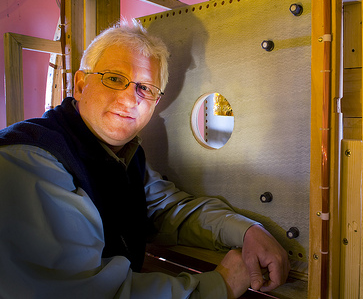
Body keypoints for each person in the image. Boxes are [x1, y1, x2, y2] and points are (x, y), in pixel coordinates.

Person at [0, 21, 290, 298]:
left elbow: (167, 209)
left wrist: (248, 230)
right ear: (79, 85)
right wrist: (221, 285)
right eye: (114, 79)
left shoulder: (124, 154)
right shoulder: (30, 161)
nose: (129, 100)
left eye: (145, 89)